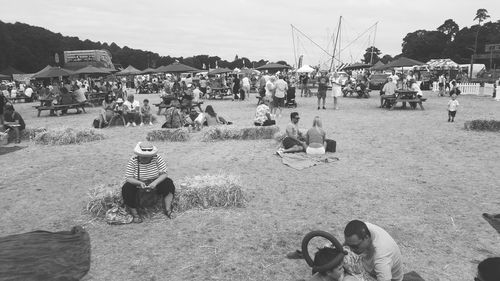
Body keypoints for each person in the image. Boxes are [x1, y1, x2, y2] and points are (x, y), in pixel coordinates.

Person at [122, 142, 176, 223]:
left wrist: (155, 183)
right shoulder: (133, 160)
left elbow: (164, 174)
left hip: (155, 182)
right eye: (143, 156)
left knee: (168, 183)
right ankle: (135, 215)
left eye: (147, 156)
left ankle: (168, 210)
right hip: (139, 184)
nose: (145, 158)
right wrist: (139, 183)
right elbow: (129, 178)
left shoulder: (157, 158)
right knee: (126, 188)